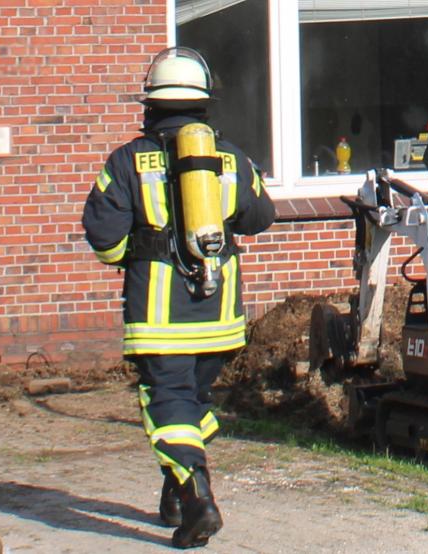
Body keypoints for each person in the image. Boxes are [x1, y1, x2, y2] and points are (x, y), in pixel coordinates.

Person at [82, 47, 275, 548]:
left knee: (166, 403)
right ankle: (174, 490)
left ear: (152, 104)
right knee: (193, 402)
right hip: (221, 317)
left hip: (159, 318)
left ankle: (197, 497)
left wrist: (139, 255)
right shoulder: (232, 157)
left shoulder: (126, 160)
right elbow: (259, 219)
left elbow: (104, 239)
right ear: (203, 103)